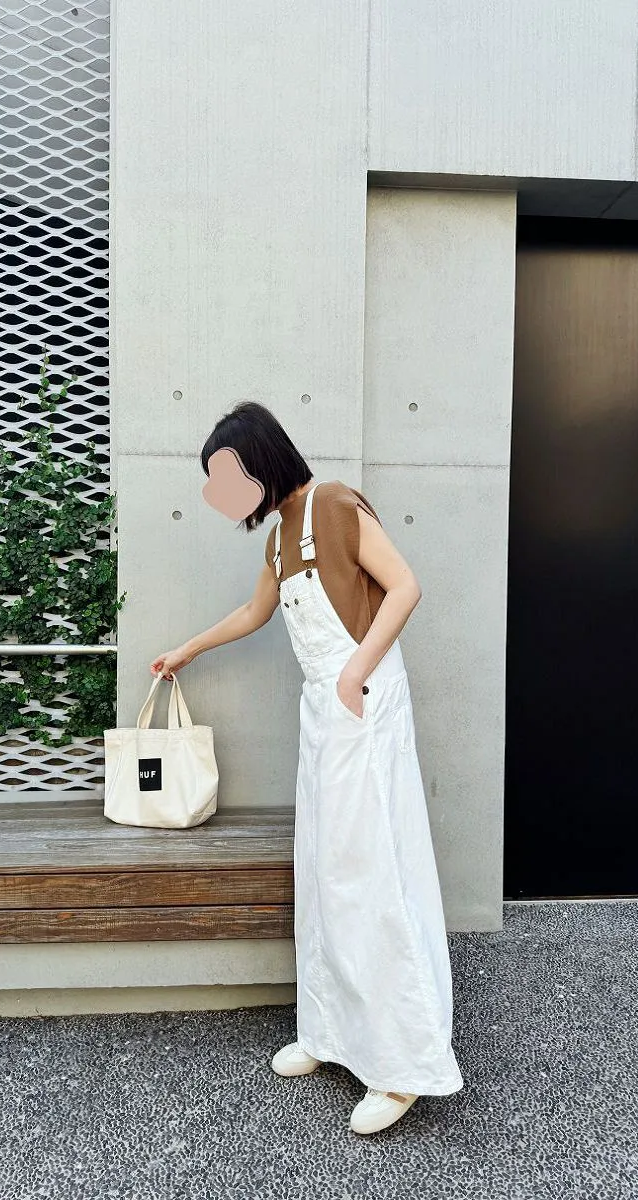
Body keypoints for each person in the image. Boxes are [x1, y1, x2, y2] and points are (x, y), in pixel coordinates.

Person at [150, 401, 464, 1135]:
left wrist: (354, 673)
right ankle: (328, 1031)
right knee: (324, 868)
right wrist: (188, 649)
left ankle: (401, 1064)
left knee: (371, 871)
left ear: (259, 461)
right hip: (322, 708)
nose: (222, 495)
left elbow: (405, 586)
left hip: (361, 699)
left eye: (225, 477)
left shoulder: (335, 502)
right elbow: (255, 612)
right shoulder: (278, 535)